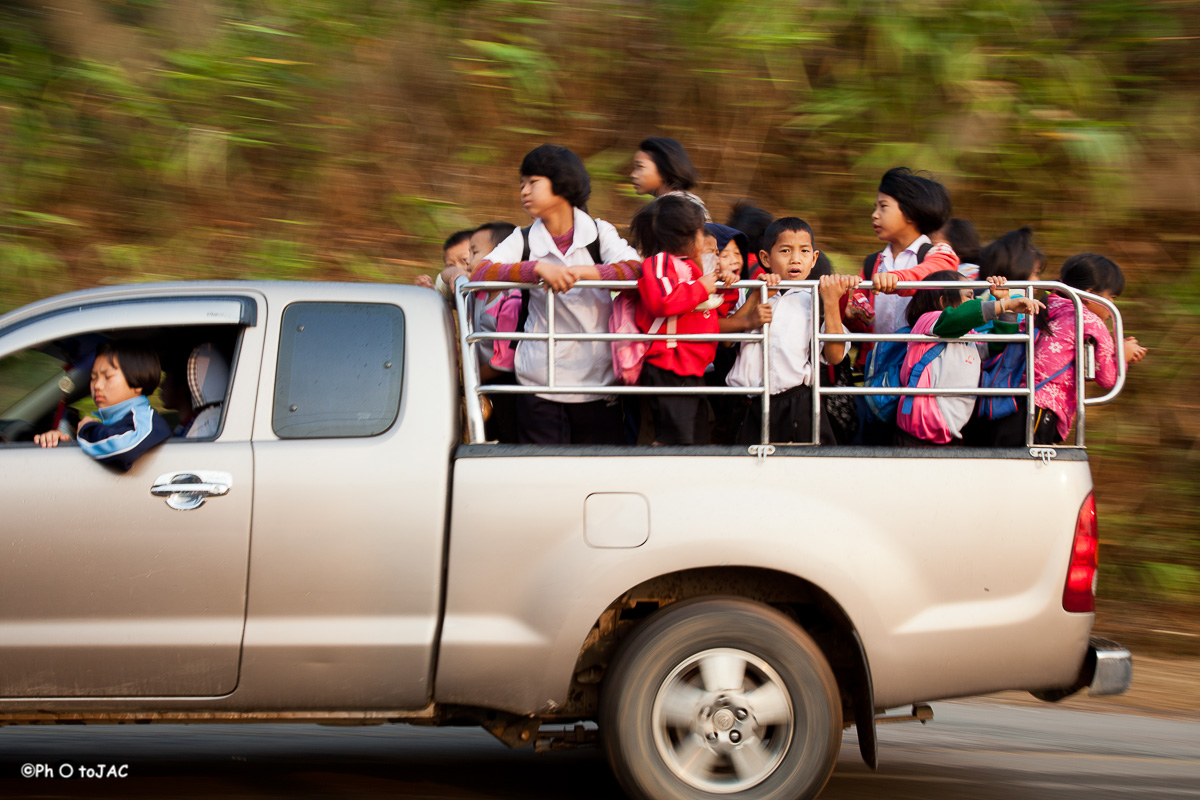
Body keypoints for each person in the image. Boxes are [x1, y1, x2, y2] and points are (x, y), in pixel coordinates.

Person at [470, 144, 641, 444]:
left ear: (561, 183)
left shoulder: (600, 234)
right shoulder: (522, 239)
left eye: (533, 182)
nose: (524, 191)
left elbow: (635, 270)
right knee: (543, 474)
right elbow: (481, 274)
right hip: (539, 383)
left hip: (597, 382)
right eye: (522, 184)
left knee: (597, 475)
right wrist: (534, 269)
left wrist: (582, 274)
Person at [726, 218, 857, 444]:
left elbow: (834, 356)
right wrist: (758, 294)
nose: (796, 258)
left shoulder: (814, 300)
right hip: (747, 403)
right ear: (766, 258)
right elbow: (726, 341)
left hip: (795, 402)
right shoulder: (748, 292)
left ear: (814, 258)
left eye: (804, 251)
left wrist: (832, 301)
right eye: (785, 250)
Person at [894, 273, 1044, 446]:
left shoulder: (969, 335)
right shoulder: (928, 321)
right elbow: (956, 318)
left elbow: (996, 344)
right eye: (969, 297)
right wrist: (1001, 305)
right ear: (944, 302)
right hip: (919, 428)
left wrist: (1006, 304)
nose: (976, 302)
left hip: (951, 431)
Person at [630, 196, 733, 445]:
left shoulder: (690, 265)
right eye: (700, 231)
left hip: (691, 367)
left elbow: (708, 300)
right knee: (675, 438)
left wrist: (723, 278)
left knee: (697, 434)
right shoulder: (659, 263)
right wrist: (701, 286)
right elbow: (662, 301)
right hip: (670, 366)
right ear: (685, 236)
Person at [1021, 254, 1147, 445]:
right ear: (1090, 295)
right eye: (1111, 297)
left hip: (1020, 399)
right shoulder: (1090, 321)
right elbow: (1107, 378)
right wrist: (1123, 355)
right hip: (1044, 407)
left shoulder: (1050, 305)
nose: (1112, 305)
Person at [33, 342, 170, 471]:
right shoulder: (115, 422)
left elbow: (123, 448)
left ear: (138, 380)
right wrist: (63, 442)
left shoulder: (146, 420)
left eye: (108, 377)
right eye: (93, 378)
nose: (97, 386)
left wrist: (87, 430)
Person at [630, 137, 710, 220]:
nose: (633, 175)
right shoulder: (687, 203)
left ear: (664, 168)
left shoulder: (674, 210)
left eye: (640, 167)